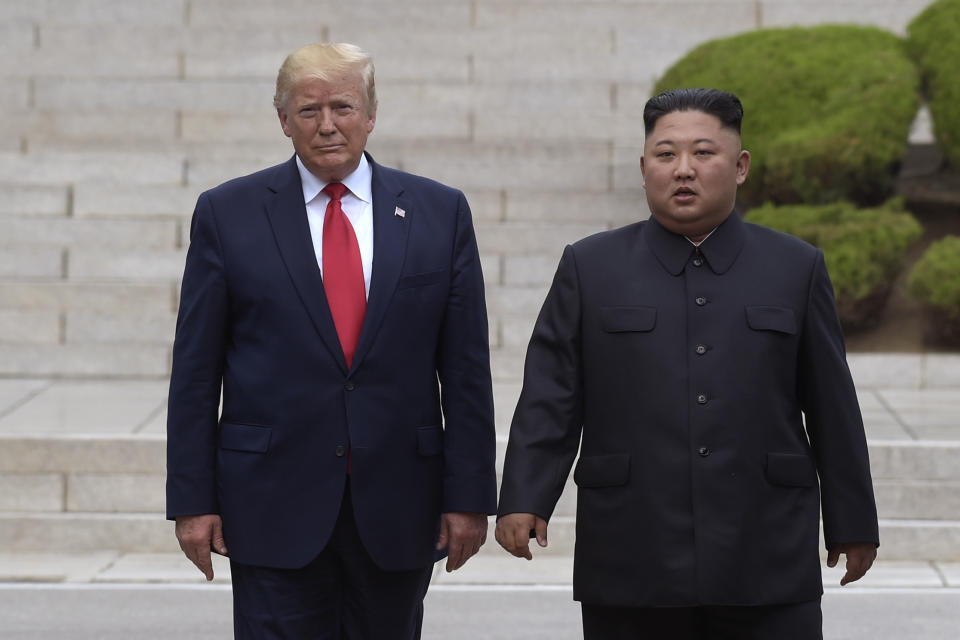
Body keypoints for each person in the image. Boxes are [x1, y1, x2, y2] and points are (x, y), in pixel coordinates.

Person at [495, 88, 878, 639]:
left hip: (765, 548)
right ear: (643, 165)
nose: (683, 170)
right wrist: (525, 497)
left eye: (703, 153)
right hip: (633, 549)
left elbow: (831, 406)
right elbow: (551, 394)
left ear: (740, 166)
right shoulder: (591, 266)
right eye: (665, 154)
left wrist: (853, 521)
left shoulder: (795, 266)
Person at [166, 42, 496, 639]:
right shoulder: (227, 212)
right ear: (282, 118)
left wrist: (470, 495)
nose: (326, 126)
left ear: (371, 114)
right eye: (308, 110)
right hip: (270, 501)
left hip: (398, 501)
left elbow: (466, 367)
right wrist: (192, 500)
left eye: (342, 107)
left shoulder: (438, 212)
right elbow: (195, 369)